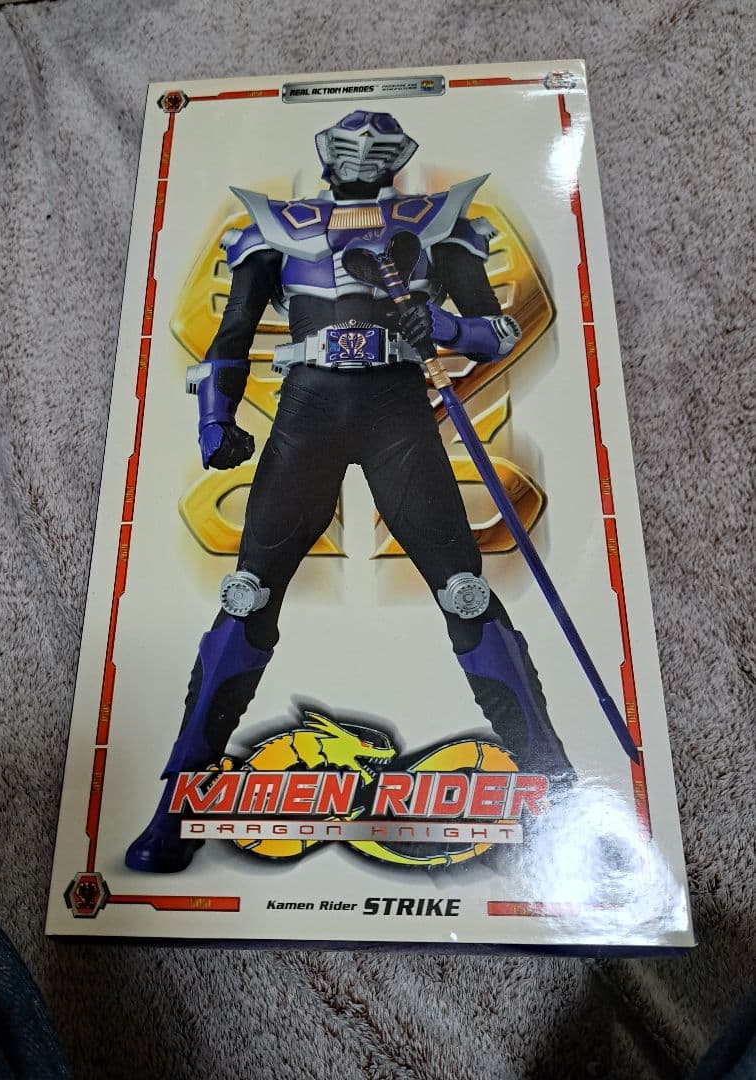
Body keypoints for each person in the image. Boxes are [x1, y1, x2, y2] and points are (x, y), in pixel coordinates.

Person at [125, 110, 571, 873]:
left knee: (465, 593)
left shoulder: (436, 219)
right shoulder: (275, 224)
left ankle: (555, 792)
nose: (362, 153)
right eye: (348, 145)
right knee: (247, 598)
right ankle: (178, 803)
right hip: (308, 411)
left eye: (377, 146)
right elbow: (233, 332)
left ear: (398, 155)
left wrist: (440, 327)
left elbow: (495, 330)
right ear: (327, 154)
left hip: (397, 412)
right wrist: (214, 418)